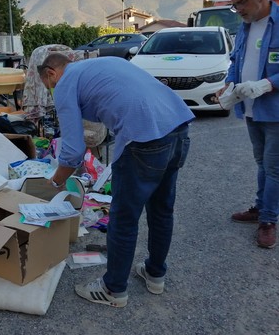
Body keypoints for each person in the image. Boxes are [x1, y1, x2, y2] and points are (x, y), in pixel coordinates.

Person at [37, 53, 194, 307]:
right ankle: (155, 274)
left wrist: (55, 182)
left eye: (49, 86)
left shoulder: (65, 82)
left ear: (51, 73)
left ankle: (114, 289)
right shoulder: (103, 64)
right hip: (177, 128)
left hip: (143, 139)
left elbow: (73, 151)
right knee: (161, 210)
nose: (53, 91)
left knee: (123, 219)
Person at [215, 0, 279, 249]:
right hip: (251, 109)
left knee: (275, 167)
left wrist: (268, 83)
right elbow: (236, 60)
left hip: (276, 111)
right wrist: (228, 84)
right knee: (262, 163)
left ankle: (268, 220)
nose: (239, 9)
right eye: (234, 5)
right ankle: (260, 207)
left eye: (241, 2)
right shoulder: (245, 27)